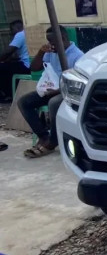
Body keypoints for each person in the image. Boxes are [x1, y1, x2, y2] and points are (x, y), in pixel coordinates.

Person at [18, 26, 83, 158]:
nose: (50, 45)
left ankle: (52, 143)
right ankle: (43, 136)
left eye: (52, 41)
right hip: (51, 89)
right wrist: (41, 53)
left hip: (69, 92)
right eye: (48, 41)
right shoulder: (51, 52)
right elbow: (34, 68)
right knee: (24, 102)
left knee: (54, 103)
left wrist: (57, 91)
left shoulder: (78, 56)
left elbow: (78, 84)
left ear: (63, 39)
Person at [0, 20, 30, 102]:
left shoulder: (20, 35)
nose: (11, 33)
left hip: (26, 66)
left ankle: (8, 95)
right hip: (30, 64)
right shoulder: (28, 33)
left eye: (12, 30)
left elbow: (8, 51)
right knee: (7, 67)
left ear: (18, 28)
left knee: (2, 68)